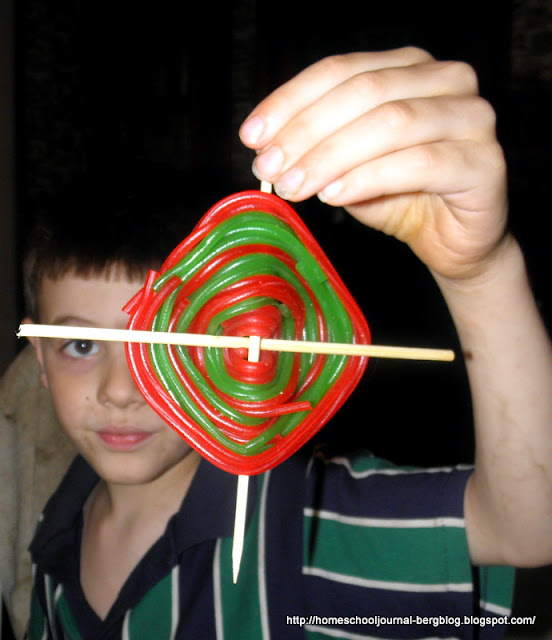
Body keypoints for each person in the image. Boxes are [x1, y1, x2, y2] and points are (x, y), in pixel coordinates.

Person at [19, 47, 552, 639]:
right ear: (38, 355)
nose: (121, 392)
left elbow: (530, 527)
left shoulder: (310, 525)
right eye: (81, 345)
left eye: (165, 340)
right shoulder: (50, 530)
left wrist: (481, 273)